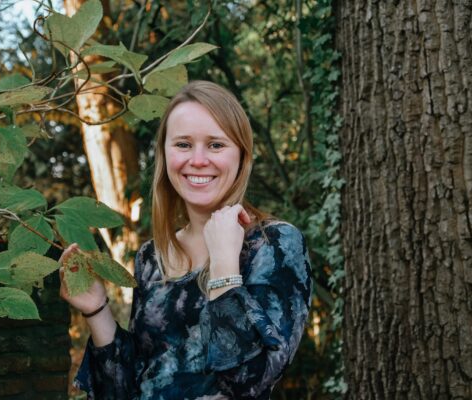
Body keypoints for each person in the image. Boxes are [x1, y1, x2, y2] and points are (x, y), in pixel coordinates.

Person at [59, 81, 313, 399]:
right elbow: (127, 389)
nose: (198, 159)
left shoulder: (274, 245)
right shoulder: (152, 258)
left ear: (242, 155)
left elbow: (247, 381)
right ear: (165, 155)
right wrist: (96, 309)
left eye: (216, 145)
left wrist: (223, 265)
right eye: (183, 144)